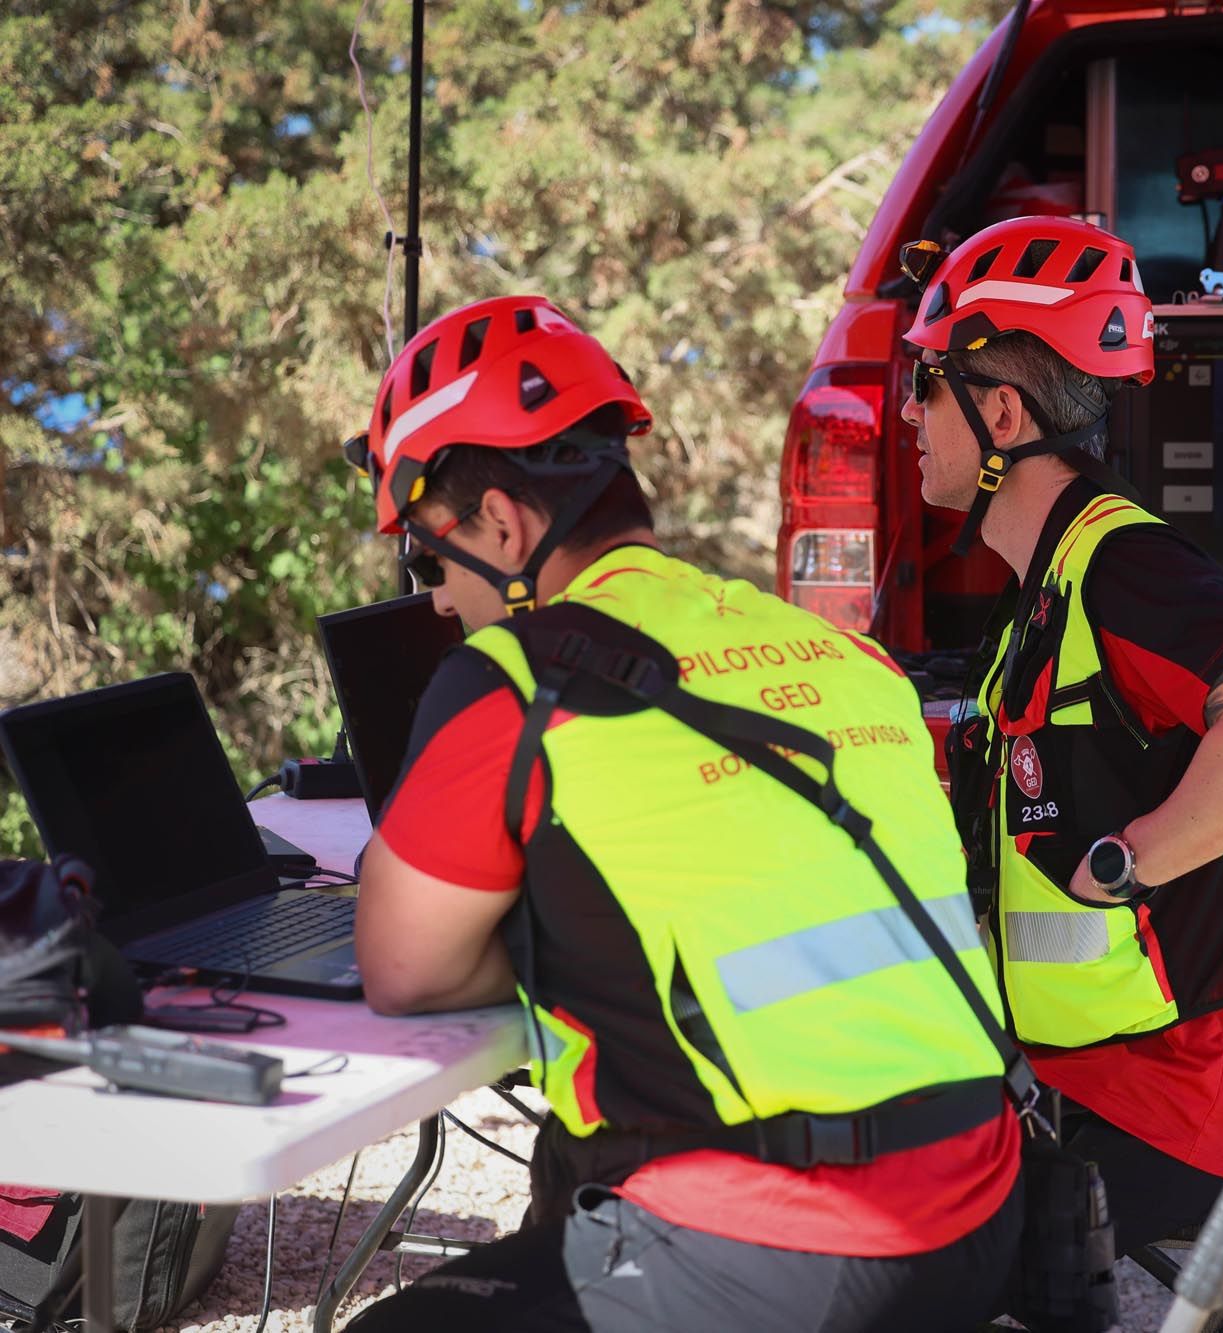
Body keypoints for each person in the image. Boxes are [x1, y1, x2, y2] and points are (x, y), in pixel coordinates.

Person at [339, 295, 1021, 1333]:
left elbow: (404, 968)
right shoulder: (839, 653)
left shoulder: (516, 678)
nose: (435, 598)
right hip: (980, 1220)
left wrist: (547, 939)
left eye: (430, 560)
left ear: (502, 525)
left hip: (783, 1245)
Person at [898, 217, 1223, 1255]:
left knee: (834, 1235)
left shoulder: (1120, 566)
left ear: (999, 410)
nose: (911, 415)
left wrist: (1119, 867)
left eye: (925, 385)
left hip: (1150, 1114)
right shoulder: (1050, 581)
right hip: (1080, 1077)